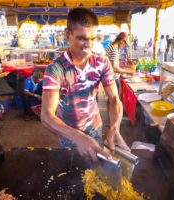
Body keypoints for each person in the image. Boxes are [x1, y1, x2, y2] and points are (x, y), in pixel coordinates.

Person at [41, 8, 130, 162]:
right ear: (68, 34)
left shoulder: (102, 63)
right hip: (68, 134)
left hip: (95, 128)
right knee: (70, 173)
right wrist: (78, 137)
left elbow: (115, 99)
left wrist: (114, 128)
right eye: (82, 38)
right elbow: (47, 116)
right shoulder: (56, 69)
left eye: (93, 38)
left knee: (95, 173)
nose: (88, 45)